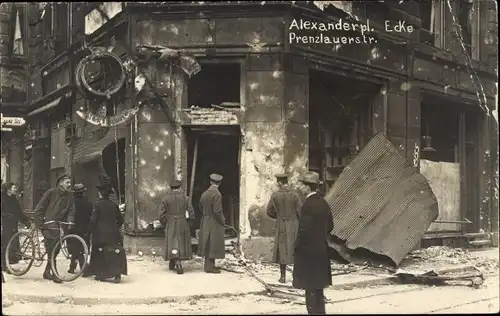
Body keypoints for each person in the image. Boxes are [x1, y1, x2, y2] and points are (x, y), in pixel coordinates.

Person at [293, 171, 334, 315]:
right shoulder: (324, 203)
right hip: (322, 251)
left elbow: (304, 231)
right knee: (318, 289)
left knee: (309, 289)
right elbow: (330, 226)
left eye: (301, 184)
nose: (300, 188)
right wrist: (319, 236)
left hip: (308, 253)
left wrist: (297, 247)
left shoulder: (307, 205)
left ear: (306, 187)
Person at [33, 174, 75, 283]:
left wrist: (70, 220)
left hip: (60, 226)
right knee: (52, 250)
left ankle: (47, 272)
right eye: (67, 183)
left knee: (55, 250)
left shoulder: (70, 196)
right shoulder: (51, 193)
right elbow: (40, 208)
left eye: (70, 183)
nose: (69, 185)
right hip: (48, 225)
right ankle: (54, 273)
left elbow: (71, 210)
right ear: (61, 182)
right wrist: (40, 223)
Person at [88, 178, 127, 283]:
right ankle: (117, 274)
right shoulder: (114, 205)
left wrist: (90, 230)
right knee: (114, 252)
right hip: (114, 233)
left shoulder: (97, 205)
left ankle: (102, 274)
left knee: (101, 253)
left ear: (100, 193)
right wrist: (115, 227)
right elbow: (120, 220)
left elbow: (93, 220)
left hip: (100, 234)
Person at [266, 173, 302, 283]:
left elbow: (269, 211)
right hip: (294, 225)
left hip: (281, 224)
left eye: (278, 182)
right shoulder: (295, 195)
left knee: (282, 250)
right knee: (295, 249)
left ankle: (283, 277)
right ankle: (297, 277)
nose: (277, 184)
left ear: (280, 182)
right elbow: (300, 211)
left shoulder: (275, 195)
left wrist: (278, 216)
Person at [159, 179, 195, 274]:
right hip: (182, 222)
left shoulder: (165, 199)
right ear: (180, 188)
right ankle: (175, 261)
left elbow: (161, 215)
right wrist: (189, 224)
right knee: (181, 243)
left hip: (170, 222)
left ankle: (176, 262)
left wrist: (165, 224)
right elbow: (191, 213)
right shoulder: (185, 198)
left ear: (170, 188)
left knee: (172, 242)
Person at [197, 173, 225, 274]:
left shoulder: (205, 193)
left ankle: (209, 265)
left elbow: (200, 206)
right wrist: (222, 220)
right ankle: (209, 267)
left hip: (205, 219)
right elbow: (217, 210)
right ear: (220, 183)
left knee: (207, 242)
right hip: (214, 221)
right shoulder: (217, 194)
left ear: (210, 182)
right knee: (212, 243)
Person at [1, 182, 30, 273]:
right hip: (4, 224)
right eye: (14, 188)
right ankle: (4, 266)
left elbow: (18, 212)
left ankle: (8, 264)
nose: (15, 189)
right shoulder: (2, 198)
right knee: (5, 245)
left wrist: (25, 220)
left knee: (11, 244)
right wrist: (6, 215)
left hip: (13, 224)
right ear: (8, 189)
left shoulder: (14, 199)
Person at [67, 183, 93, 274]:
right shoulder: (88, 202)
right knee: (82, 249)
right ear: (83, 192)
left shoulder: (71, 202)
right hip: (84, 229)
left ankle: (74, 267)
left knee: (75, 248)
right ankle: (81, 267)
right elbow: (91, 216)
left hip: (73, 228)